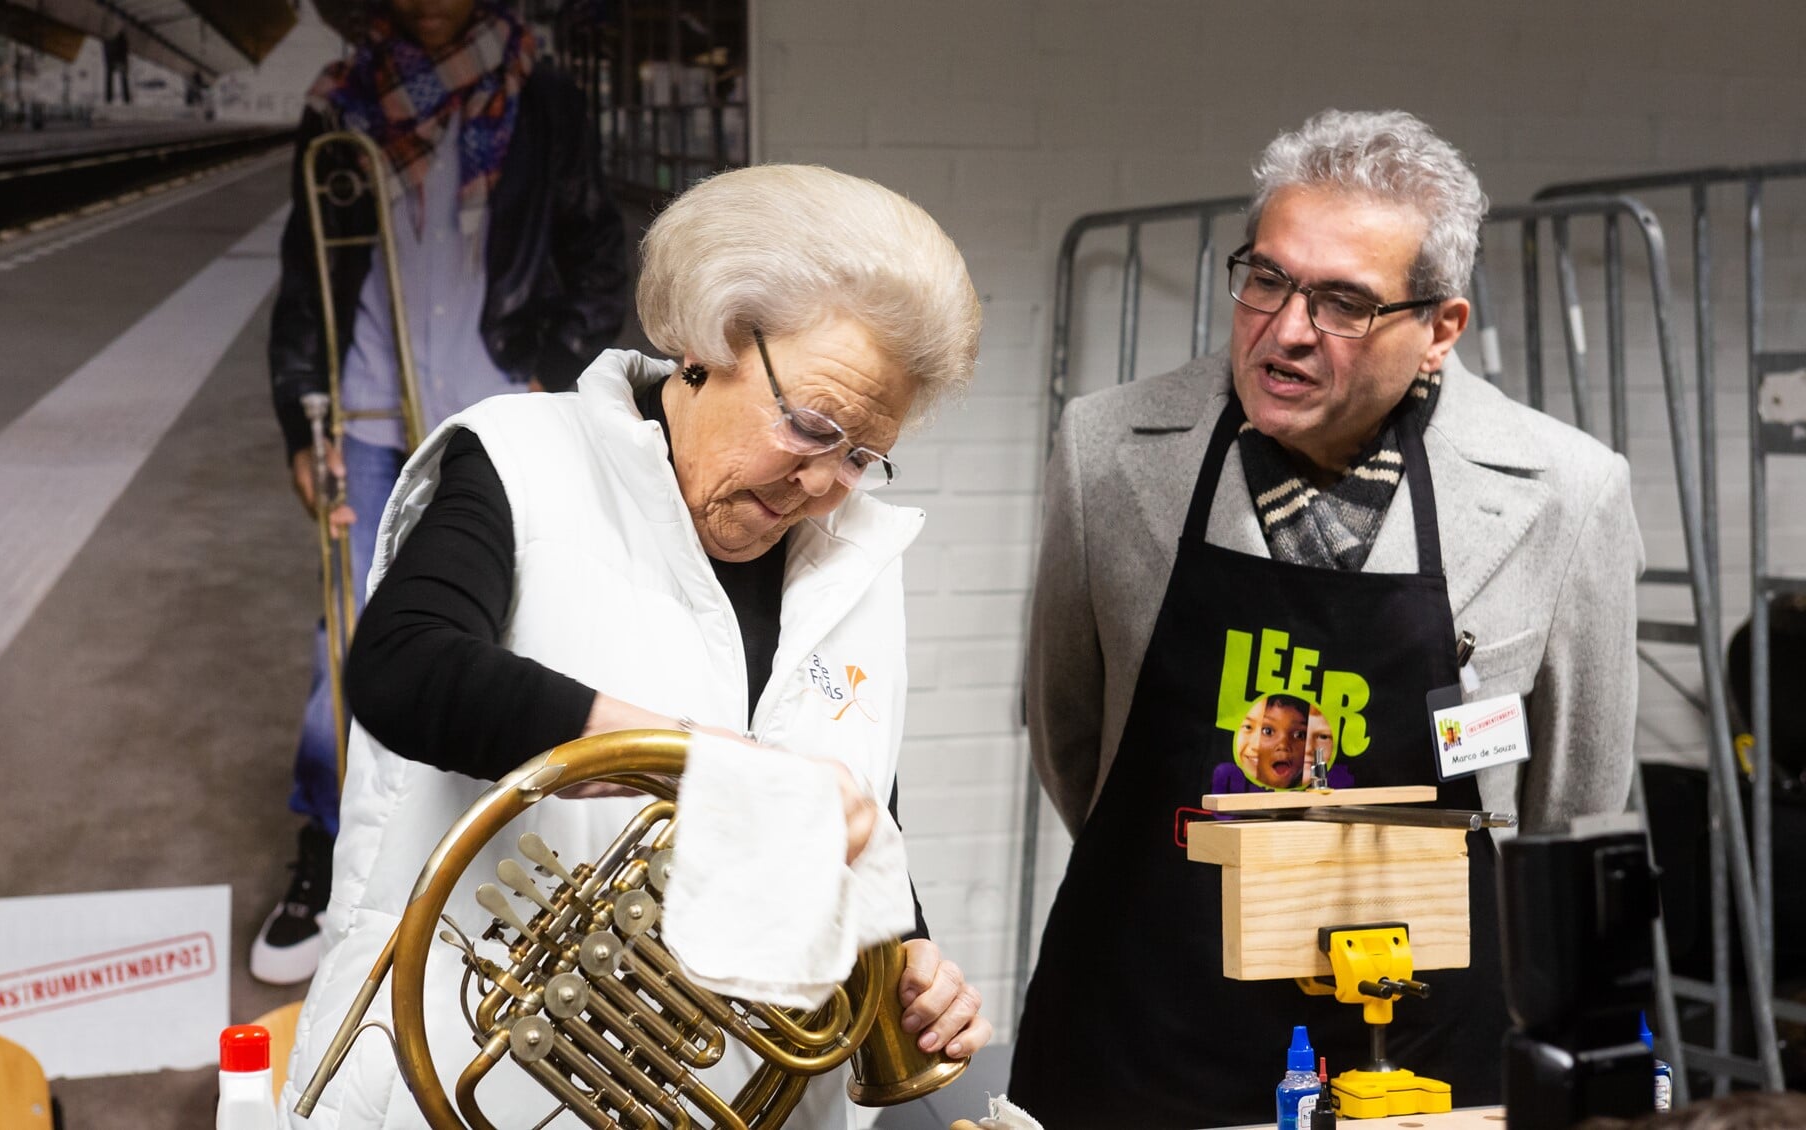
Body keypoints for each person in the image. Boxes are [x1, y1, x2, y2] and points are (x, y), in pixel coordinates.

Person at [281, 163, 990, 1128]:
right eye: (813, 425)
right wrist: (698, 765)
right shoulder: (520, 458)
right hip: (462, 1086)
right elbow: (403, 665)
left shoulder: (860, 552)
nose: (827, 483)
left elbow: (861, 803)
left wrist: (908, 949)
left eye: (863, 455)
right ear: (707, 340)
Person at [1013, 110, 1643, 1127]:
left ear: (1441, 326)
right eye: (1267, 279)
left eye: (1344, 301)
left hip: (1428, 1052)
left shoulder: (1562, 493)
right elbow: (1073, 737)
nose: (1287, 328)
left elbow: (1573, 800)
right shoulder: (1111, 450)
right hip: (1144, 1020)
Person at [258, 0, 627, 983]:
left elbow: (596, 250)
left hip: (499, 411)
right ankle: (327, 852)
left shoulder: (542, 95)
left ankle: (487, 864)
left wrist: (557, 377)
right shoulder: (340, 104)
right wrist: (305, 419)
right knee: (344, 636)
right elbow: (308, 270)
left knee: (510, 635)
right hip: (371, 411)